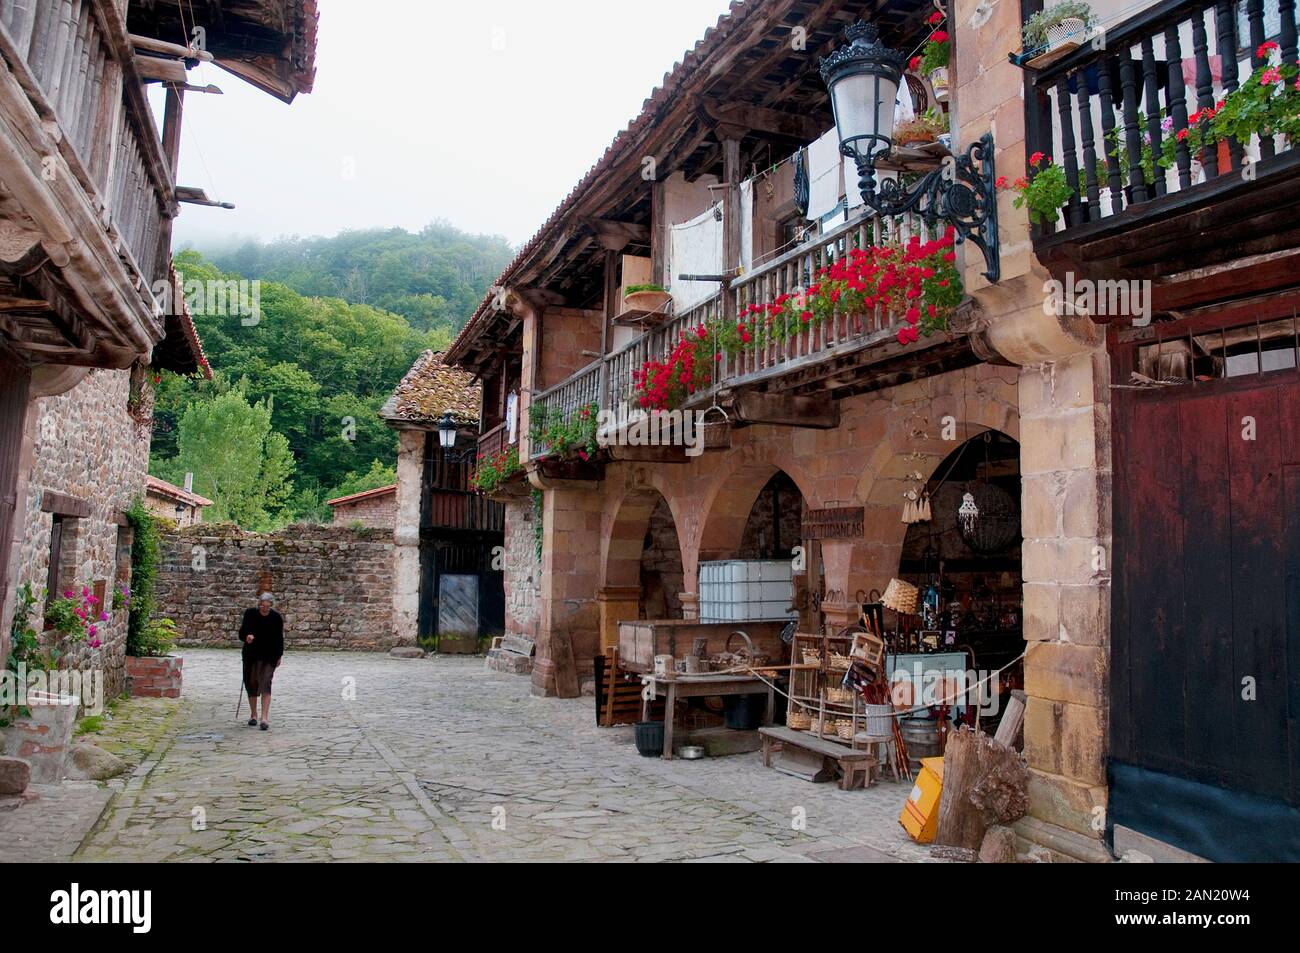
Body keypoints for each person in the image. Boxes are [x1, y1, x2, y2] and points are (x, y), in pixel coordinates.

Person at [238, 593, 284, 731]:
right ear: (259, 605)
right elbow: (241, 633)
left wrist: (279, 655)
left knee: (265, 683)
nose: (264, 609)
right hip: (251, 655)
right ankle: (253, 715)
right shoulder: (250, 614)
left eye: (267, 606)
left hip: (269, 656)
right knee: (251, 683)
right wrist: (247, 637)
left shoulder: (276, 618)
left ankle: (264, 718)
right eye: (262, 606)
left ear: (271, 606)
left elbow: (279, 638)